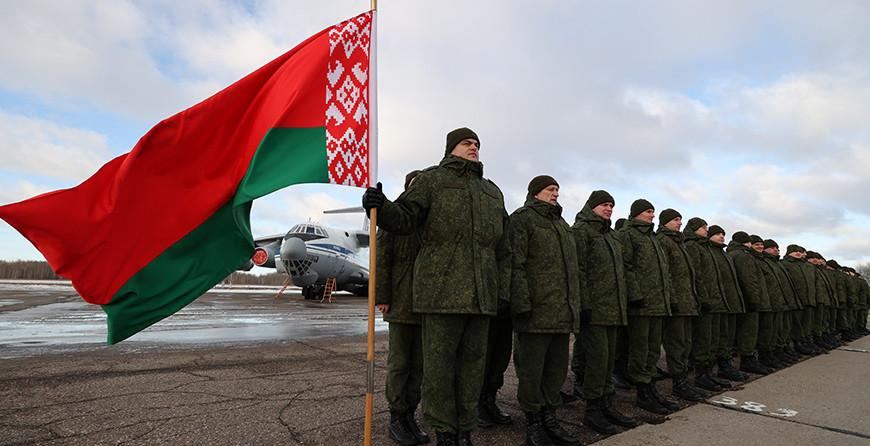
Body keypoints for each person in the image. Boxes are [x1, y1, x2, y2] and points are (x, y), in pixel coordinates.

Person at [362, 127, 510, 446]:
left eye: (477, 144)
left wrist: (501, 292)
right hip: (440, 294)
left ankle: (464, 430)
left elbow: (504, 248)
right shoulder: (432, 180)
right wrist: (381, 206)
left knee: (472, 370)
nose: (474, 147)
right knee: (437, 370)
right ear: (450, 148)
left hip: (480, 297)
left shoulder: (492, 192)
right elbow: (403, 219)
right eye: (467, 143)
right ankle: (444, 431)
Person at [508, 175, 581, 446]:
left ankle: (550, 417)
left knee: (555, 371)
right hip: (535, 314)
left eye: (558, 190)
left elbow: (571, 272)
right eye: (551, 189)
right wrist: (521, 304)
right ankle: (534, 423)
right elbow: (516, 264)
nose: (556, 194)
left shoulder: (562, 225)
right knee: (531, 371)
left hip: (561, 314)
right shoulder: (522, 219)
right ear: (536, 192)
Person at [571, 190, 639, 434]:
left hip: (613, 310)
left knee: (608, 361)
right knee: (597, 362)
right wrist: (585, 304)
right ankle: (592, 410)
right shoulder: (581, 231)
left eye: (611, 205)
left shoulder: (610, 235)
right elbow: (578, 270)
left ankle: (605, 404)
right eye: (604, 205)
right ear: (592, 206)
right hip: (595, 311)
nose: (609, 209)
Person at [376, 170, 429, 446]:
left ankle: (410, 414)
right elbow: (382, 257)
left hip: (426, 303)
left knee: (419, 365)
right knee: (400, 362)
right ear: (408, 188)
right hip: (400, 300)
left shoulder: (428, 217)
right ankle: (396, 417)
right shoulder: (393, 217)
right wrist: (383, 295)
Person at [618, 199, 679, 415]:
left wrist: (668, 297)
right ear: (636, 214)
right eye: (648, 211)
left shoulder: (652, 238)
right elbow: (626, 266)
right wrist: (635, 295)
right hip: (641, 305)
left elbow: (664, 272)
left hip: (657, 304)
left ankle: (650, 387)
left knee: (653, 350)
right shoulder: (628, 235)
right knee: (640, 350)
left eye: (653, 211)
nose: (652, 215)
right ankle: (642, 392)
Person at [655, 209, 705, 401]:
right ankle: (678, 383)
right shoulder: (663, 241)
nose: (679, 223)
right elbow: (665, 274)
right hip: (677, 304)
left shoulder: (680, 243)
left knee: (685, 343)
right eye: (675, 220)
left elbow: (688, 277)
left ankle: (683, 380)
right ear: (665, 222)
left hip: (688, 303)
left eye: (680, 220)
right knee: (676, 344)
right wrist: (673, 300)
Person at [683, 218, 734, 391]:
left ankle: (708, 373)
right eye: (703, 228)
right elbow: (696, 275)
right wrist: (703, 299)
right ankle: (701, 375)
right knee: (703, 339)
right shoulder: (692, 246)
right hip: (704, 302)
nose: (707, 230)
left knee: (713, 339)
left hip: (714, 300)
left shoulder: (706, 248)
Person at [704, 225, 749, 381]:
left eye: (723, 234)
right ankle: (708, 371)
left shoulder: (724, 254)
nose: (721, 236)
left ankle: (724, 366)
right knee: (713, 339)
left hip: (728, 301)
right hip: (715, 301)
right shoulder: (709, 252)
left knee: (726, 337)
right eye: (717, 234)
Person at [726, 231, 772, 375]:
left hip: (740, 300)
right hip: (748, 301)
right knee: (748, 332)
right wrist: (754, 300)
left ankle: (747, 359)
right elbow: (749, 280)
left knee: (743, 333)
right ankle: (747, 361)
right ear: (747, 243)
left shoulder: (734, 254)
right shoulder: (744, 256)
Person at [780, 245, 824, 355]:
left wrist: (816, 299)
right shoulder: (785, 264)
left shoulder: (808, 266)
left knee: (806, 324)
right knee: (795, 325)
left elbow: (816, 284)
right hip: (795, 300)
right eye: (795, 251)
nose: (798, 253)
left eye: (800, 251)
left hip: (809, 300)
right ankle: (795, 345)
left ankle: (803, 343)